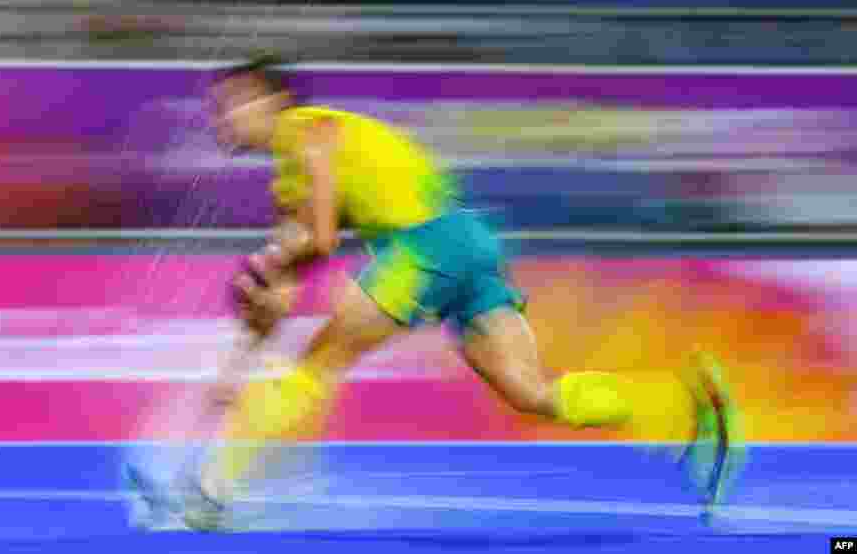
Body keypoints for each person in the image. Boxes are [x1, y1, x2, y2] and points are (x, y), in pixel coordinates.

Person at [133, 57, 744, 531]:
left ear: (272, 99)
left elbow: (315, 241)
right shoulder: (293, 170)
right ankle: (691, 404)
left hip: (426, 245)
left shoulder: (306, 131)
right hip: (470, 242)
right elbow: (285, 284)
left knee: (318, 364)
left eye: (230, 104)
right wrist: (237, 365)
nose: (221, 118)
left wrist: (270, 262)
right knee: (530, 392)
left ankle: (213, 491)